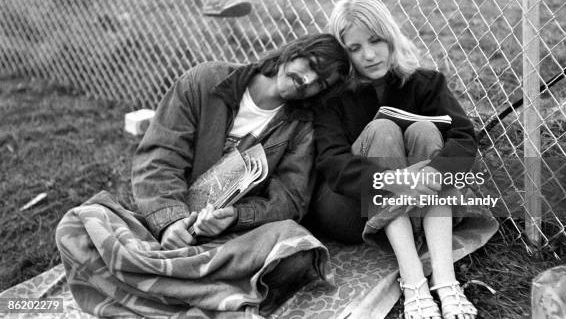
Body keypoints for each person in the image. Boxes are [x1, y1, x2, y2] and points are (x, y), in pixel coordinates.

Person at [56, 33, 350, 317]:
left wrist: (235, 216)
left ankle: (153, 284)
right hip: (159, 228)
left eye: (320, 83)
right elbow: (160, 157)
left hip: (226, 241)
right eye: (311, 63)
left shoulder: (301, 126)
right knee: (76, 228)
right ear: (294, 50)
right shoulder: (206, 81)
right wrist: (170, 222)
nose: (308, 80)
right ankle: (202, 293)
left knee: (296, 252)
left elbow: (289, 199)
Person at [309, 0, 497, 319]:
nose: (368, 55)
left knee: (425, 131)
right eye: (354, 48)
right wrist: (393, 179)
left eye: (375, 40)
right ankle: (413, 282)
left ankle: (444, 280)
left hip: (417, 202)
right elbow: (332, 163)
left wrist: (435, 172)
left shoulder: (425, 82)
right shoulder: (333, 97)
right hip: (348, 209)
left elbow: (465, 137)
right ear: (343, 54)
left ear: (390, 34)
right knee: (383, 130)